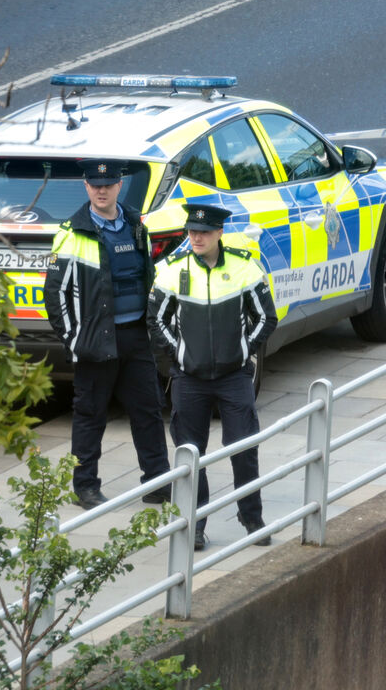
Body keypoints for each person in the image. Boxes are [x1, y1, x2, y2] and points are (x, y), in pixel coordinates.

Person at [148, 203, 277, 551]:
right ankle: (195, 525)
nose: (196, 238)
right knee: (191, 455)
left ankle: (252, 519)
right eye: (192, 232)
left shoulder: (243, 268)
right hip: (189, 380)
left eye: (203, 233)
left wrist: (241, 349)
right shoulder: (172, 271)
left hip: (234, 378)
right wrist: (181, 353)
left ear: (219, 233)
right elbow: (155, 320)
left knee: (244, 448)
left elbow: (266, 318)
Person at [44, 159, 171, 510]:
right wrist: (75, 340)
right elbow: (55, 297)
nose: (101, 190)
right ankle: (85, 487)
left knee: (148, 409)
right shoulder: (71, 233)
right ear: (86, 187)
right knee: (90, 414)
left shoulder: (134, 223)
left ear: (118, 186)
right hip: (96, 340)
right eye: (95, 185)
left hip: (135, 336)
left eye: (108, 184)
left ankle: (158, 482)